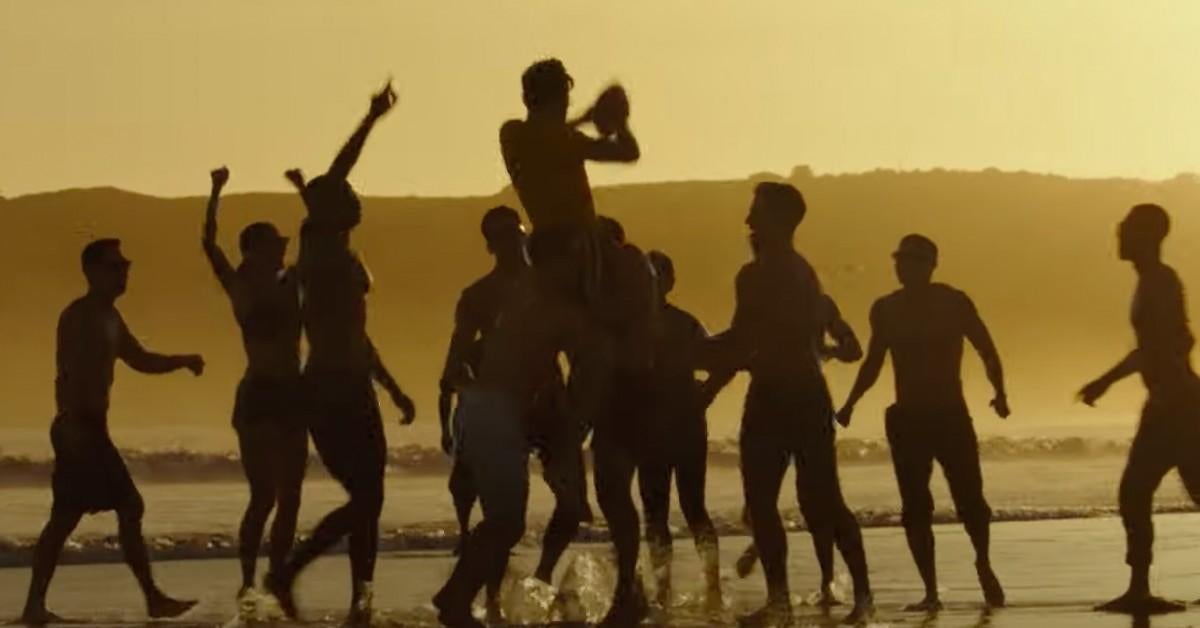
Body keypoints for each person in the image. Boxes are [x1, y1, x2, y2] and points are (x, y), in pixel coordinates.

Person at [265, 82, 416, 624]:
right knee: (367, 499)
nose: (357, 199)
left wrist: (392, 386)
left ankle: (361, 602)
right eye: (346, 197)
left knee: (369, 499)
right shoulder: (322, 245)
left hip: (352, 382)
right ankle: (288, 572)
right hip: (329, 387)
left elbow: (359, 334)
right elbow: (338, 171)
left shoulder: (338, 250)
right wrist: (371, 118)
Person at [700, 183, 872, 626]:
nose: (748, 222)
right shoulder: (803, 273)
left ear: (779, 220)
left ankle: (788, 602)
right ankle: (838, 597)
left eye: (756, 213)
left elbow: (742, 341)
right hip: (793, 394)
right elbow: (748, 343)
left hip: (785, 395)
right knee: (799, 502)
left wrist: (689, 354)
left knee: (801, 503)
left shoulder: (760, 275)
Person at [21, 239, 204, 625]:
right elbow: (66, 376)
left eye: (124, 266)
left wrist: (181, 361)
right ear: (91, 271)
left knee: (71, 516)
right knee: (112, 509)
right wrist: (71, 427)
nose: (123, 272)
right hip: (78, 429)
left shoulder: (109, 317)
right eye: (114, 266)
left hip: (89, 429)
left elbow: (139, 359)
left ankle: (36, 606)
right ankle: (149, 599)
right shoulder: (80, 316)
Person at [836, 234, 1009, 611]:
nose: (903, 267)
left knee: (971, 502)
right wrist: (850, 402)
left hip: (950, 414)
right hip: (907, 418)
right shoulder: (886, 309)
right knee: (915, 507)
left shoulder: (954, 302)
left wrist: (1000, 392)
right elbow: (875, 361)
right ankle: (930, 591)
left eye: (912, 261)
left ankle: (983, 561)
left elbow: (986, 347)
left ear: (930, 266)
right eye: (899, 260)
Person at [434, 231, 597, 628]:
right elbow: (585, 356)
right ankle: (455, 598)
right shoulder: (544, 304)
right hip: (496, 412)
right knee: (506, 522)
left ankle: (459, 595)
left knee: (512, 520)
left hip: (499, 411)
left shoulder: (529, 298)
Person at [1079, 204, 1200, 615]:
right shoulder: (1151, 281)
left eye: (1126, 228)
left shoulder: (1160, 282)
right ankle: (1139, 587)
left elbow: (1169, 343)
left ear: (1147, 236)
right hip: (1171, 403)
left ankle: (1139, 589)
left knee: (1134, 492)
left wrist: (1106, 381)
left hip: (1177, 405)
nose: (1118, 234)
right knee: (1143, 493)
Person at [202, 166, 307, 600]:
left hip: (293, 394)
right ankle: (247, 582)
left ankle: (277, 578)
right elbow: (208, 243)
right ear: (254, 250)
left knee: (292, 499)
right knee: (264, 496)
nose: (284, 250)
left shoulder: (291, 282)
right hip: (260, 394)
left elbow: (320, 240)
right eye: (276, 245)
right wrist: (216, 191)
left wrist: (305, 191)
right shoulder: (241, 284)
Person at [732, 293, 863, 607]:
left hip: (784, 402)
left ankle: (830, 587)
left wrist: (825, 351)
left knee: (815, 501)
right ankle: (850, 593)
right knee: (783, 500)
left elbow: (853, 350)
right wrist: (826, 351)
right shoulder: (816, 302)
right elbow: (852, 348)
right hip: (800, 401)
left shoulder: (767, 295)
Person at [637, 250, 722, 611]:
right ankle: (663, 587)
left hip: (685, 425)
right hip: (649, 427)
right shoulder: (631, 325)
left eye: (658, 276)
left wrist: (706, 395)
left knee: (693, 507)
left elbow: (720, 360)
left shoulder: (685, 324)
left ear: (670, 282)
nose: (652, 283)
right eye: (647, 277)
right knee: (655, 511)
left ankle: (713, 584)